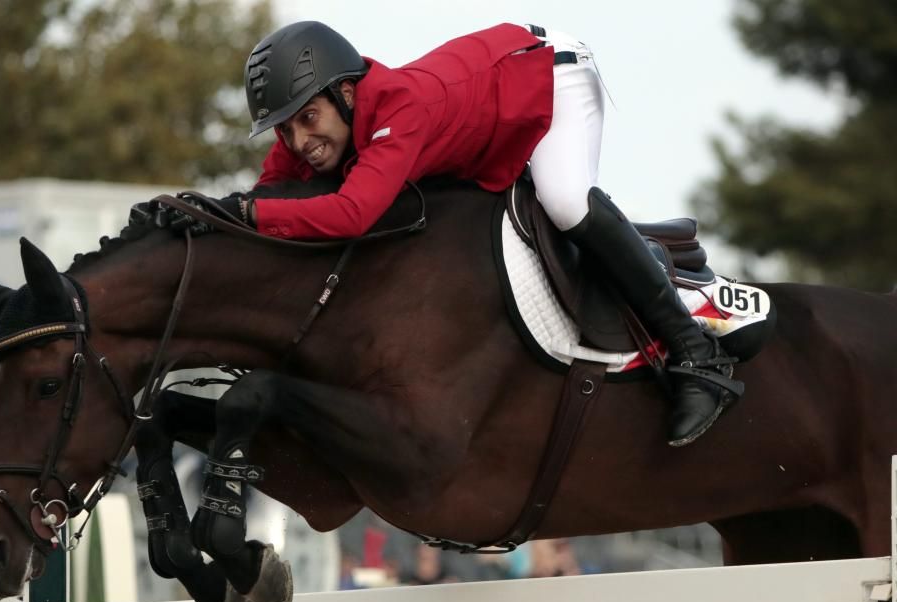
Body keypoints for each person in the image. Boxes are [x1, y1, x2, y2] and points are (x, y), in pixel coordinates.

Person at [143, 21, 740, 447]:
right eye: (286, 131)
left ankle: (695, 351)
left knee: (564, 201)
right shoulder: (329, 123)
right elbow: (269, 200)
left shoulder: (401, 108)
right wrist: (209, 216)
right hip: (489, 105)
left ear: (346, 93)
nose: (301, 143)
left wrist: (246, 215)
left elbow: (352, 214)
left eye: (308, 119)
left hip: (550, 80)